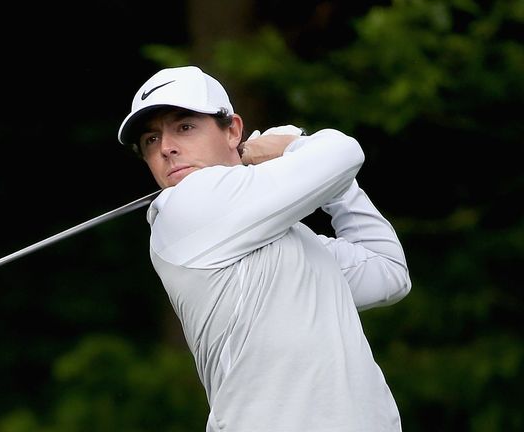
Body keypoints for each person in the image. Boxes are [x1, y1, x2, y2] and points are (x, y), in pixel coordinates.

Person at [117, 65, 412, 431]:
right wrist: (294, 144)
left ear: (233, 131)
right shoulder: (184, 209)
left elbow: (388, 272)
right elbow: (344, 152)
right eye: (150, 140)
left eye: (184, 127)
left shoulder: (292, 240)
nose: (166, 148)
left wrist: (336, 183)